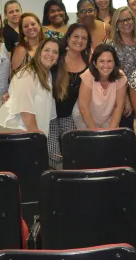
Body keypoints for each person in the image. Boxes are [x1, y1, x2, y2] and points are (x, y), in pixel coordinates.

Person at [0, 37, 59, 135]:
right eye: (47, 50)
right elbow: (26, 111)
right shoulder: (28, 74)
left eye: (55, 52)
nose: (50, 54)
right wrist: (37, 138)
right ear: (39, 52)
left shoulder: (47, 75)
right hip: (13, 127)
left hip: (27, 129)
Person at [49, 24, 89, 167]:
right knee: (54, 156)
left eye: (84, 38)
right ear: (68, 37)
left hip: (71, 117)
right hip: (50, 117)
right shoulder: (55, 58)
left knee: (72, 154)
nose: (79, 41)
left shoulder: (89, 63)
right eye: (76, 36)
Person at [72, 44, 128, 129]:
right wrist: (95, 133)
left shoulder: (121, 77)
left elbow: (119, 107)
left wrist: (111, 131)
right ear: (95, 63)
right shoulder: (88, 75)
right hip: (84, 117)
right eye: (101, 61)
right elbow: (84, 108)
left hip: (108, 117)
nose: (106, 65)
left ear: (114, 63)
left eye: (109, 61)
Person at [109, 6, 136, 79]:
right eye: (120, 21)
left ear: (133, 20)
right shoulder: (111, 45)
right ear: (116, 24)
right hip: (123, 86)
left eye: (128, 19)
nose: (125, 23)